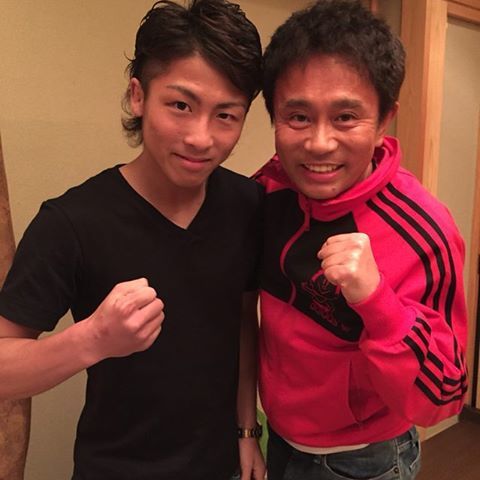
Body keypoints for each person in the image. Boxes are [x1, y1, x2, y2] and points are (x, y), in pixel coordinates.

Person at [0, 1, 266, 479]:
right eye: (181, 106)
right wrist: (91, 340)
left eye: (226, 115)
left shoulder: (248, 205)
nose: (201, 137)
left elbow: (245, 321)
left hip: (223, 466)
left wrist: (247, 431)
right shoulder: (73, 222)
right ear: (138, 95)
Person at [253, 1, 468, 479]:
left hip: (364, 459)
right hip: (277, 437)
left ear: (384, 118)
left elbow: (445, 395)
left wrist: (377, 302)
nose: (319, 143)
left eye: (346, 117)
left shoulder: (425, 230)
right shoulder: (269, 191)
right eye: (298, 117)